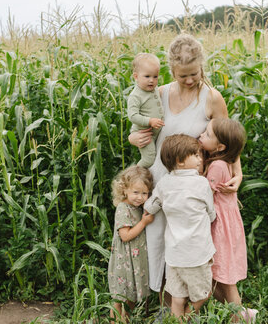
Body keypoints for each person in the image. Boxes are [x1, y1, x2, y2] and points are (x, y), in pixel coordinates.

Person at [128, 33, 243, 306]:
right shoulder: (159, 94)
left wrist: (237, 174)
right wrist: (133, 138)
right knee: (158, 242)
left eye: (194, 73)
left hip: (193, 188)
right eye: (183, 76)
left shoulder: (212, 98)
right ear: (172, 72)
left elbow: (229, 142)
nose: (190, 80)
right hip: (160, 181)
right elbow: (139, 129)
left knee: (188, 244)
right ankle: (163, 305)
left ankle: (192, 303)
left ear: (201, 65)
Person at [144, 134, 215, 322]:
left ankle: (177, 320)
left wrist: (152, 208)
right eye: (196, 155)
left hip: (174, 255)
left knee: (177, 297)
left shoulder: (165, 183)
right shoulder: (201, 183)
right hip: (197, 254)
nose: (201, 158)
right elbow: (211, 212)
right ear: (180, 161)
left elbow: (150, 206)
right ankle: (186, 318)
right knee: (203, 294)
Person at [199, 118, 258, 323]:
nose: (200, 136)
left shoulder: (216, 165)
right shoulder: (224, 162)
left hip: (219, 226)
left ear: (220, 147)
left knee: (225, 277)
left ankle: (239, 318)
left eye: (206, 135)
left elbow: (206, 194)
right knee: (218, 275)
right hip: (227, 222)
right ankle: (240, 313)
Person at [107, 165, 155, 323]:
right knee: (121, 298)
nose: (140, 197)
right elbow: (125, 236)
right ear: (124, 190)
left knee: (131, 297)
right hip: (124, 261)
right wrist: (144, 222)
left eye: (144, 193)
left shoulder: (139, 208)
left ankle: (125, 321)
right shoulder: (123, 208)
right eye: (135, 192)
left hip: (135, 261)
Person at [127, 53, 164, 168]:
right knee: (149, 160)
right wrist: (150, 121)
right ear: (136, 76)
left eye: (155, 77)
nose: (151, 81)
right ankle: (135, 174)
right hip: (144, 134)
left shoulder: (155, 89)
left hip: (155, 133)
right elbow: (132, 116)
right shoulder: (136, 96)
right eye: (147, 76)